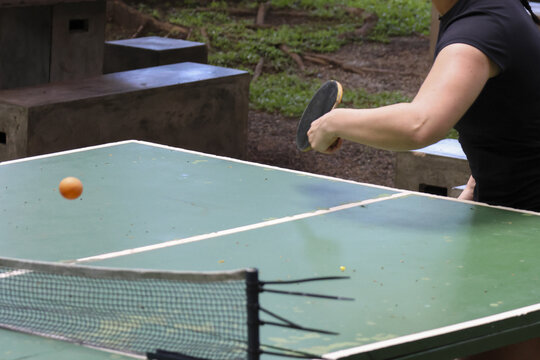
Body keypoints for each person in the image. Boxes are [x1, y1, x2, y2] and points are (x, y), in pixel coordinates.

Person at [307, 0, 540, 213]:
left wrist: (333, 122)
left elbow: (419, 125)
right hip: (507, 213)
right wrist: (477, 180)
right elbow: (513, 104)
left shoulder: (477, 32)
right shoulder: (495, 9)